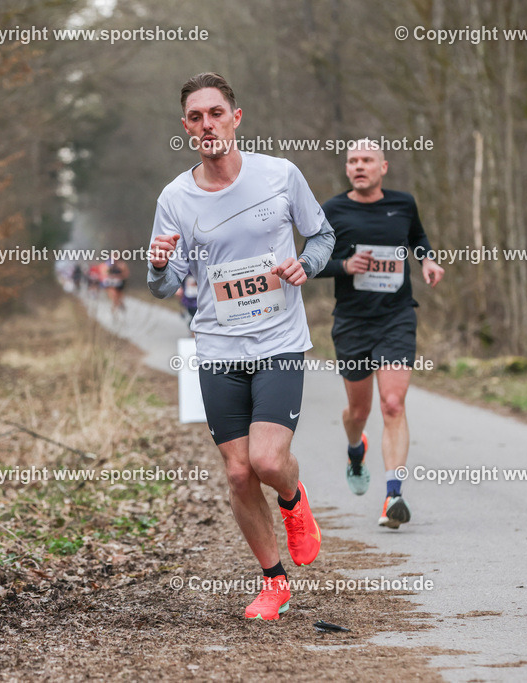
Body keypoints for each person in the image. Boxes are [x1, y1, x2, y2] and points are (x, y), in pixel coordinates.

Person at [147, 72, 335, 620]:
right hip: (218, 347)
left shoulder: (280, 174)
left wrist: (307, 264)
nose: (208, 124)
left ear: (236, 117)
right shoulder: (174, 198)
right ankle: (273, 582)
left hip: (278, 340)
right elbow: (165, 284)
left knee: (268, 460)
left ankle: (294, 499)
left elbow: (321, 236)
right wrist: (159, 263)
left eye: (216, 113)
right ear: (186, 127)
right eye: (196, 117)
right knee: (235, 472)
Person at [314, 141, 444, 529]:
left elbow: (418, 238)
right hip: (352, 321)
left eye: (366, 160)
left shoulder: (403, 203)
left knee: (391, 404)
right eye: (352, 161)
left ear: (383, 166)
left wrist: (428, 260)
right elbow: (312, 262)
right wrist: (345, 265)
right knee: (359, 412)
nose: (358, 166)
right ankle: (356, 449)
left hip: (396, 316)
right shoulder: (333, 210)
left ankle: (393, 495)